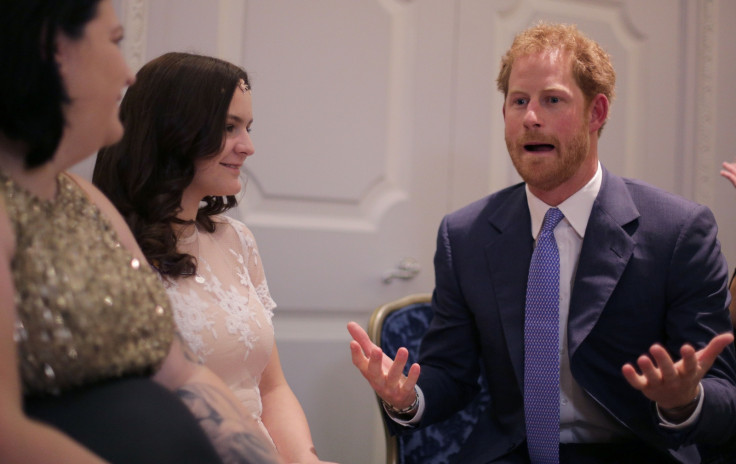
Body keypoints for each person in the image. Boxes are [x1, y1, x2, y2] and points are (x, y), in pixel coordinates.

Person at [348, 22, 736, 464]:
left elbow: (726, 398)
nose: (531, 117)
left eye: (552, 100)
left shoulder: (678, 231)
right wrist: (406, 397)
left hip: (637, 449)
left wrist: (683, 400)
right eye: (518, 101)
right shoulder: (465, 234)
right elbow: (451, 375)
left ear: (597, 113)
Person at [0, 1, 283, 463]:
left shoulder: (82, 201)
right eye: (114, 42)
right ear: (55, 52)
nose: (129, 75)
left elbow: (182, 373)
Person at [92, 51, 335, 464]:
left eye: (248, 127)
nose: (249, 147)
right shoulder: (108, 246)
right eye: (228, 128)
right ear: (173, 130)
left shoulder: (235, 239)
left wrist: (303, 459)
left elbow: (270, 388)